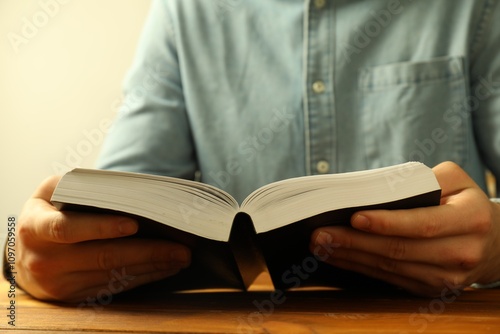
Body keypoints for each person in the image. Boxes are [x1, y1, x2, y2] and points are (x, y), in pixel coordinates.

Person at [10, 0, 500, 302]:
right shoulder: (185, 10)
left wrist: (496, 246)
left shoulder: (475, 6)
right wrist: (18, 259)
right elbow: (118, 219)